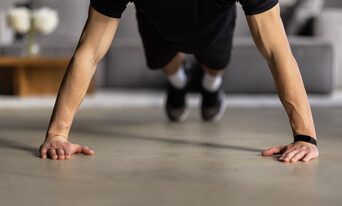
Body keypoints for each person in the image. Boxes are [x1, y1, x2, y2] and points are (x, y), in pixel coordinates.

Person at [39, 0, 319, 163]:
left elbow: (276, 50)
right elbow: (89, 51)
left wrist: (305, 137)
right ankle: (177, 83)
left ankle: (210, 88)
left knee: (214, 66)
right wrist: (57, 134)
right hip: (157, 27)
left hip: (214, 28)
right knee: (166, 63)